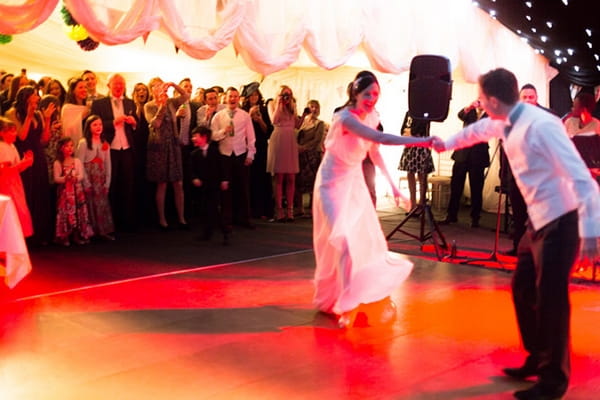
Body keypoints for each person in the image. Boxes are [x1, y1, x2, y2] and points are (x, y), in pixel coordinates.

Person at [432, 68, 600, 400]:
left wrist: (593, 232)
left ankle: (554, 381)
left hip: (562, 220)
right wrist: (445, 143)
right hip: (537, 222)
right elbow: (478, 130)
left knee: (552, 299)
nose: (480, 104)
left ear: (493, 100)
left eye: (482, 99)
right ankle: (538, 356)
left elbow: (581, 178)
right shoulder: (504, 119)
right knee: (522, 288)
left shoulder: (542, 126)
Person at [312, 71, 434, 328]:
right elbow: (378, 138)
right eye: (367, 93)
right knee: (342, 241)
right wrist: (422, 141)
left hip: (353, 183)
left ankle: (351, 299)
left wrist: (394, 186)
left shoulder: (373, 117)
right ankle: (345, 306)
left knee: (362, 240)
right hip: (331, 183)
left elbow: (375, 153)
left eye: (376, 94)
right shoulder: (345, 117)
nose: (372, 99)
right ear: (355, 93)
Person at [90, 73, 137, 232]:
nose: (119, 87)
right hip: (109, 148)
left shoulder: (130, 102)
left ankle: (127, 221)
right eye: (116, 84)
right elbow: (94, 123)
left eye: (121, 84)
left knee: (128, 183)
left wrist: (134, 122)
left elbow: (135, 124)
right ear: (109, 85)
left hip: (127, 148)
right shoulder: (99, 103)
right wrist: (113, 122)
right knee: (111, 184)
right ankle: (110, 221)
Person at [144, 77, 190, 231]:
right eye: (157, 87)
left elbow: (186, 97)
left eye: (162, 86)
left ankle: (181, 218)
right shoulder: (149, 106)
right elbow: (155, 124)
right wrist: (161, 106)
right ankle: (162, 219)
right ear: (152, 90)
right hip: (159, 147)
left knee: (178, 183)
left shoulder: (171, 102)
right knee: (162, 183)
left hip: (173, 145)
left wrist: (174, 85)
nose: (161, 89)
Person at [211, 87, 256, 231]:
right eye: (230, 96)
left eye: (236, 96)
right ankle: (226, 220)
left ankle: (244, 218)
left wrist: (250, 155)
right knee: (226, 189)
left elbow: (251, 137)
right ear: (225, 98)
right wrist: (224, 131)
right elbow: (213, 136)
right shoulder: (218, 116)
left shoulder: (244, 115)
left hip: (240, 154)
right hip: (224, 155)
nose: (233, 99)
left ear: (238, 98)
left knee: (243, 188)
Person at [441, 99, 489, 228]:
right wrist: (469, 106)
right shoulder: (470, 111)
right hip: (462, 153)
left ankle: (475, 218)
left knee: (476, 188)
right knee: (456, 186)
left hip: (478, 155)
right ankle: (451, 215)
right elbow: (460, 115)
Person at [76, 115, 115, 241]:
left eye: (100, 124)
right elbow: (79, 163)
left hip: (101, 177)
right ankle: (90, 231)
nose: (98, 127)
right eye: (95, 125)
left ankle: (102, 231)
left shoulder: (105, 143)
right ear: (89, 127)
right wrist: (85, 183)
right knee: (89, 204)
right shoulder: (84, 143)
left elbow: (108, 164)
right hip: (89, 176)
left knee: (101, 203)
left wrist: (107, 183)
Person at [189, 125, 231, 244]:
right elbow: (192, 170)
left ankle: (224, 231)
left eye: (196, 136)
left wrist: (224, 180)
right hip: (202, 187)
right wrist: (194, 178)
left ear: (204, 137)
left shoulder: (214, 151)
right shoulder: (194, 154)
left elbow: (222, 167)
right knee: (203, 209)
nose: (193, 139)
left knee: (214, 209)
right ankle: (207, 232)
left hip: (214, 185)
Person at [267, 85, 301, 222]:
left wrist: (302, 115)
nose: (287, 97)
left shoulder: (292, 105)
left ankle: (290, 210)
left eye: (289, 94)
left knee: (291, 177)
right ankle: (279, 210)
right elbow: (274, 120)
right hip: (279, 138)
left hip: (290, 140)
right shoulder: (272, 104)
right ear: (279, 94)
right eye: (284, 94)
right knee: (279, 177)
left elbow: (297, 125)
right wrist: (280, 104)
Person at [241, 82, 274, 220]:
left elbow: (269, 131)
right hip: (247, 147)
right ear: (247, 97)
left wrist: (260, 120)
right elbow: (240, 130)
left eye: (256, 94)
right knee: (250, 179)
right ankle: (250, 209)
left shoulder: (264, 109)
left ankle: (263, 210)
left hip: (260, 147)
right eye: (251, 95)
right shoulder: (242, 111)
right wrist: (249, 116)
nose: (254, 97)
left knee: (262, 178)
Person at [53, 137, 94, 246]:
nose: (70, 148)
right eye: (67, 146)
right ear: (61, 148)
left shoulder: (77, 161)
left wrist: (75, 178)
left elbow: (81, 175)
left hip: (77, 192)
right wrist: (65, 178)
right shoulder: (58, 163)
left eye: (71, 145)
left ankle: (77, 235)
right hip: (65, 193)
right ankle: (65, 236)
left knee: (78, 212)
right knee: (65, 213)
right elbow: (56, 178)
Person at [0, 116, 33, 237]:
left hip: (15, 184)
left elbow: (17, 167)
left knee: (18, 211)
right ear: (2, 133)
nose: (15, 133)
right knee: (7, 212)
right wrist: (21, 164)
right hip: (4, 185)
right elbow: (3, 171)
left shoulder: (12, 146)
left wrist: (26, 162)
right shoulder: (1, 147)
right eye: (11, 130)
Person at [398, 111, 434, 214]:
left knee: (422, 175)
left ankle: (421, 203)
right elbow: (403, 129)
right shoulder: (409, 112)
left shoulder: (424, 112)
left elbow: (418, 130)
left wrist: (411, 133)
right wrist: (407, 133)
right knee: (410, 173)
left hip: (421, 146)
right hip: (410, 146)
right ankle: (413, 204)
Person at [295, 99, 326, 217]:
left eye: (316, 107)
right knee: (300, 182)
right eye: (311, 106)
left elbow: (317, 140)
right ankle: (300, 208)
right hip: (301, 155)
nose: (314, 109)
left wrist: (304, 147)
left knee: (313, 182)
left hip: (313, 155)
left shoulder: (320, 123)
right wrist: (298, 147)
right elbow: (295, 134)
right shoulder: (302, 122)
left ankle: (314, 209)